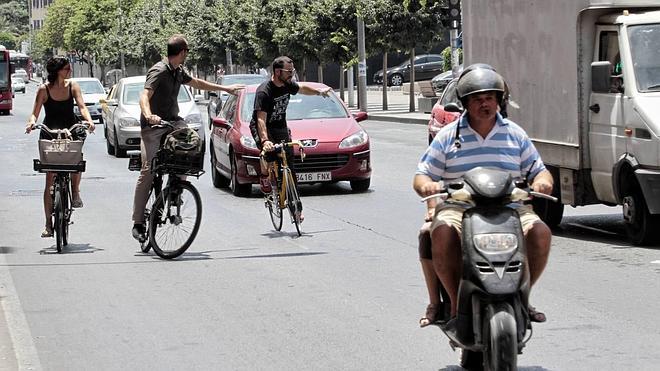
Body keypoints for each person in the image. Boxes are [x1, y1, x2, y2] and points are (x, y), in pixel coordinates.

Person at [413, 64, 553, 327]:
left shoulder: (515, 134)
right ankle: (455, 305)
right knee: (439, 233)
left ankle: (523, 296)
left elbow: (539, 170)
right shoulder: (447, 136)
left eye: (490, 98)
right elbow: (422, 175)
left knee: (541, 232)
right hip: (461, 207)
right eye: (478, 99)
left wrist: (542, 182)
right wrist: (428, 187)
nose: (485, 104)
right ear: (466, 103)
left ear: (499, 100)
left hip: (510, 206)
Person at [131, 34, 244, 240]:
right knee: (148, 170)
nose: (187, 55)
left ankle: (175, 190)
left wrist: (225, 89)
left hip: (174, 122)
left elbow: (197, 83)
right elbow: (144, 96)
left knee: (191, 145)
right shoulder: (159, 70)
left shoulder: (177, 71)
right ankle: (138, 222)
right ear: (182, 52)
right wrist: (148, 115)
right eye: (187, 51)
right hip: (153, 127)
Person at [25, 56, 96, 238]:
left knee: (76, 161)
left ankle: (76, 190)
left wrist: (88, 121)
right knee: (49, 178)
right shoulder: (44, 89)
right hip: (50, 132)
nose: (69, 71)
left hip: (70, 130)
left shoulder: (73, 86)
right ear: (57, 71)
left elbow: (82, 107)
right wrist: (31, 124)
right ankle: (48, 224)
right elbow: (34, 113)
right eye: (66, 69)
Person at [249, 56, 332, 202]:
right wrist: (265, 140)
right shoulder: (264, 91)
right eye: (288, 72)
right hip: (263, 127)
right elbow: (261, 119)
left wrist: (319, 92)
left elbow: (302, 88)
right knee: (268, 154)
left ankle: (295, 204)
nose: (291, 74)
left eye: (292, 71)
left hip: (280, 126)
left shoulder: (287, 84)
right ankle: (264, 177)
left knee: (289, 164)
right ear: (277, 72)